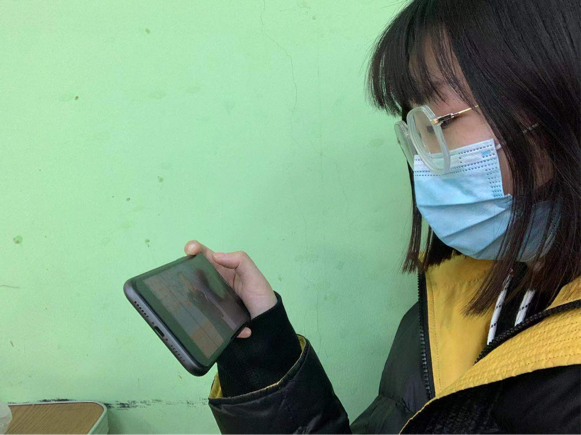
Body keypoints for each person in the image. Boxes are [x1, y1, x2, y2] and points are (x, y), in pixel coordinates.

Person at [184, 0, 581, 433]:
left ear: (558, 101)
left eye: (439, 120)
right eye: (413, 126)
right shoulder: (461, 297)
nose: (421, 159)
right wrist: (263, 351)